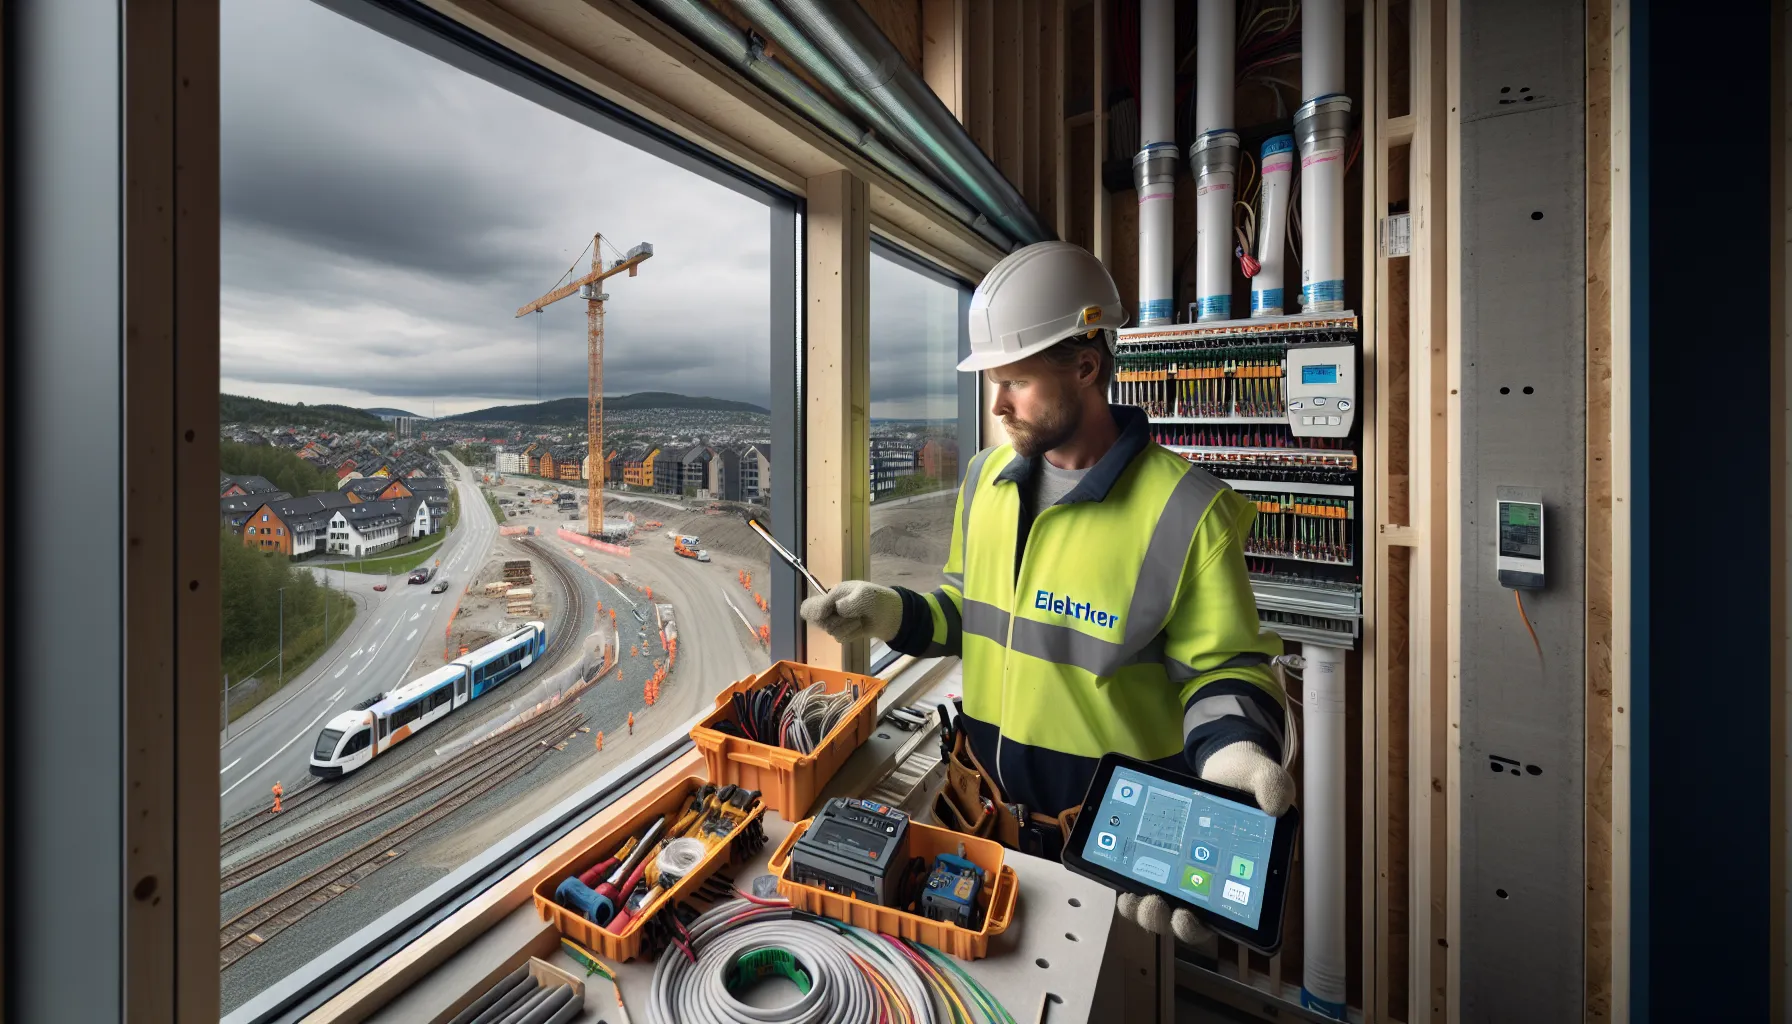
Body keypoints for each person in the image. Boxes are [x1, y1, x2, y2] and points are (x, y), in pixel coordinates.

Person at [799, 240, 1293, 944]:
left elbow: (1227, 668)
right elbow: (973, 612)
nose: (997, 405)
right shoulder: (986, 480)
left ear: (1087, 367)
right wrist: (891, 612)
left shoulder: (1189, 511)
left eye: (1016, 382)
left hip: (1109, 851)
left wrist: (1234, 752)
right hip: (982, 827)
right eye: (992, 382)